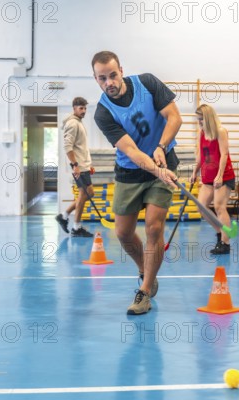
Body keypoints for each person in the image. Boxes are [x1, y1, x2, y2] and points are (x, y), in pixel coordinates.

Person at [91, 51, 182, 315]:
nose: (109, 82)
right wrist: (155, 169)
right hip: (131, 171)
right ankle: (145, 269)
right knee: (122, 233)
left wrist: (161, 147)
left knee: (154, 228)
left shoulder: (147, 83)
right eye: (102, 78)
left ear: (121, 70)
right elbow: (130, 150)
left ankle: (144, 291)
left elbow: (174, 117)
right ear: (96, 79)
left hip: (164, 161)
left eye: (113, 75)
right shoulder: (103, 113)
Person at [189, 104, 236, 255]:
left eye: (201, 119)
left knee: (219, 207)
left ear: (208, 118)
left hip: (223, 176)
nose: (199, 122)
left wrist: (220, 175)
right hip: (208, 176)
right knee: (201, 207)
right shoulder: (202, 132)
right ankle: (221, 234)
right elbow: (200, 155)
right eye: (198, 119)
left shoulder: (220, 131)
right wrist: (194, 172)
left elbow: (224, 154)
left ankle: (225, 243)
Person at [55, 97, 95, 238]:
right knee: (84, 194)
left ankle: (64, 216)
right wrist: (75, 165)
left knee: (89, 193)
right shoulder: (73, 123)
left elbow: (80, 147)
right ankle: (76, 227)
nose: (83, 111)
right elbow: (67, 146)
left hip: (83, 166)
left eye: (85, 108)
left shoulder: (78, 122)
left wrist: (87, 164)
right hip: (78, 167)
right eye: (80, 108)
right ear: (74, 108)